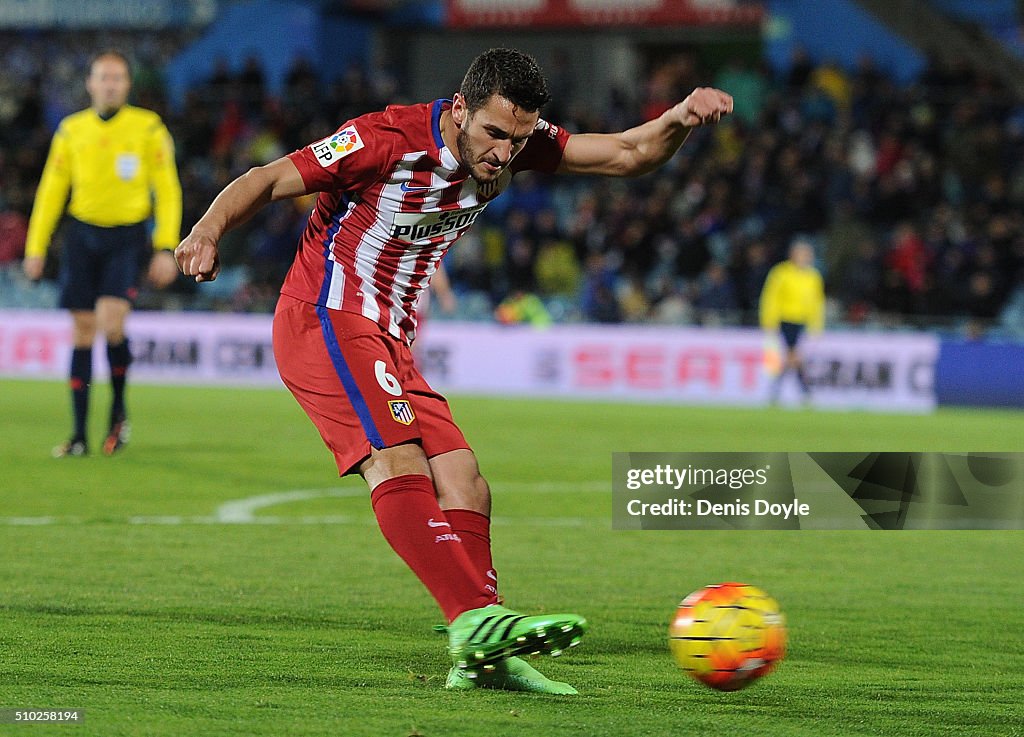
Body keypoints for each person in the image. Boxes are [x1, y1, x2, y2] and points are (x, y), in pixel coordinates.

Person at [175, 48, 732, 693]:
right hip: (326, 318)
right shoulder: (383, 138)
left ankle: (482, 658)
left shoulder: (513, 144)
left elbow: (627, 154)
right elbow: (268, 178)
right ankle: (474, 619)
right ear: (461, 110)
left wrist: (681, 118)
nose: (503, 154)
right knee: (397, 460)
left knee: (467, 483)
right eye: (494, 134)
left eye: (518, 140)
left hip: (392, 340)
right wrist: (207, 230)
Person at [23, 50, 182, 457]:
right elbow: (51, 191)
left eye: (117, 78)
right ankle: (78, 435)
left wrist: (165, 245)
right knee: (81, 330)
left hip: (127, 238)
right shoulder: (71, 130)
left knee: (111, 324)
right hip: (81, 236)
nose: (110, 84)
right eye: (103, 77)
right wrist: (35, 246)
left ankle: (117, 413)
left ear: (127, 85)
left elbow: (167, 190)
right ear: (90, 84)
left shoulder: (148, 128)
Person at [759, 239, 825, 405]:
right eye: (802, 254)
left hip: (802, 322)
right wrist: (769, 320)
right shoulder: (781, 273)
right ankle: (803, 390)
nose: (806, 257)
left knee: (793, 358)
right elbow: (771, 298)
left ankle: (778, 388)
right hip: (785, 320)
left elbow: (817, 302)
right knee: (793, 356)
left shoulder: (813, 276)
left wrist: (816, 324)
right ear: (793, 255)